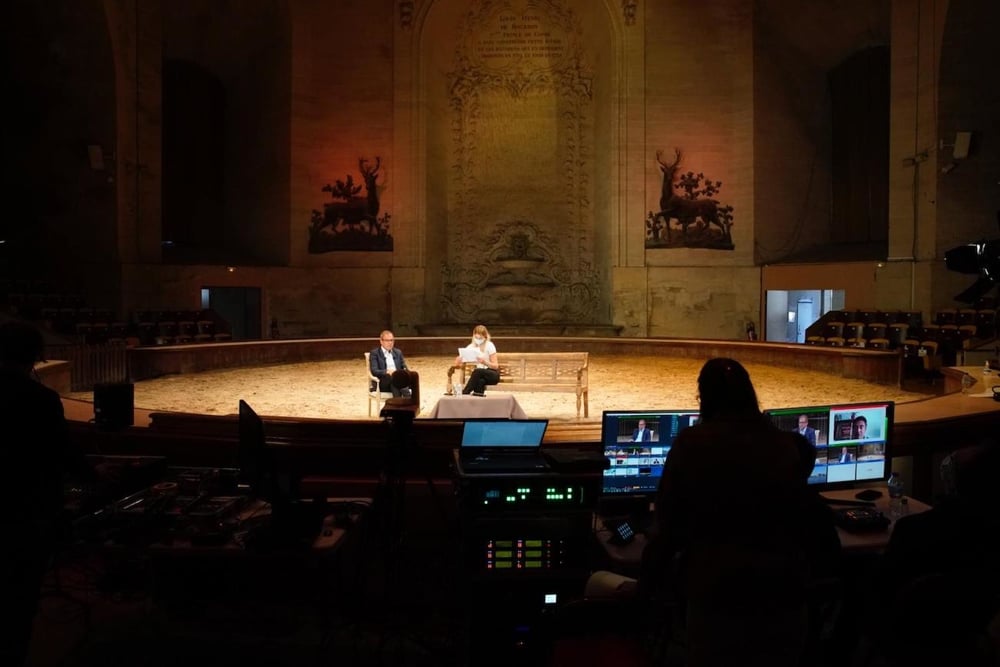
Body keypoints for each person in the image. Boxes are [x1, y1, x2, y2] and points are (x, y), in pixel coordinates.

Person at [586, 358, 839, 666]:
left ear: (704, 399)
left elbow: (670, 530)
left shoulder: (693, 443)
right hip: (785, 598)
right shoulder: (785, 446)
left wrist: (645, 589)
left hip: (718, 597)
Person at [0, 320, 96, 666]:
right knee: (18, 602)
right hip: (26, 513)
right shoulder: (39, 399)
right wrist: (96, 478)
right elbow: (62, 452)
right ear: (36, 358)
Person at [454, 324, 499, 396]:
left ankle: (465, 392)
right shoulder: (471, 346)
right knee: (480, 381)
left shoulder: (489, 345)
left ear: (485, 337)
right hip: (480, 376)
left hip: (492, 374)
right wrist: (458, 360)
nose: (478, 340)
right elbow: (459, 364)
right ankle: (478, 400)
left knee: (477, 371)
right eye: (476, 337)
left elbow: (496, 366)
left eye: (480, 338)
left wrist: (484, 362)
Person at [369, 330, 408, 397]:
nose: (390, 343)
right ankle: (409, 399)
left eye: (391, 340)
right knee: (392, 378)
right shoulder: (375, 353)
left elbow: (405, 368)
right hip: (383, 382)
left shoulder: (398, 352)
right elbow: (374, 371)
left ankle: (397, 405)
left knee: (411, 377)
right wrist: (387, 371)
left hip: (396, 381)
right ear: (381, 341)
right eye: (387, 340)